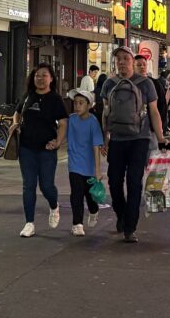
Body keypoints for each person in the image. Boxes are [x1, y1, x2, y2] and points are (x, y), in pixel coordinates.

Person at [102, 46, 166, 244]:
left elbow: (154, 112)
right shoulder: (109, 84)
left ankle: (130, 227)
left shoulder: (146, 83)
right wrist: (104, 139)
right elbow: (105, 113)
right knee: (113, 182)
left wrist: (161, 138)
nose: (121, 62)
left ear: (132, 61)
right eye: (118, 59)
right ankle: (121, 214)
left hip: (140, 139)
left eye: (125, 58)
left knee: (134, 182)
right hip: (117, 140)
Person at [14, 64, 68, 238]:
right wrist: (16, 124)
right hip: (26, 148)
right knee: (28, 185)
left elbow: (63, 122)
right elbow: (17, 113)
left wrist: (58, 141)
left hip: (47, 149)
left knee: (46, 186)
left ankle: (54, 205)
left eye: (44, 75)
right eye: (37, 75)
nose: (40, 78)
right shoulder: (28, 96)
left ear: (51, 79)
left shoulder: (55, 99)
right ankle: (29, 223)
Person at [66, 88, 104, 236]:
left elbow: (96, 147)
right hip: (74, 165)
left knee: (90, 196)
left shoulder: (93, 122)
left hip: (89, 166)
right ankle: (77, 224)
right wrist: (55, 142)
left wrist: (98, 170)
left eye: (81, 103)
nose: (77, 106)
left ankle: (94, 211)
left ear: (89, 105)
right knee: (76, 194)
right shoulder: (71, 119)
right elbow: (62, 134)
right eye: (75, 103)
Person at [134, 53, 168, 139]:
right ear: (133, 66)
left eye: (144, 64)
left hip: (151, 128)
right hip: (133, 128)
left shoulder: (154, 83)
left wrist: (161, 127)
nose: (142, 67)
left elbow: (162, 104)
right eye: (139, 65)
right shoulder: (129, 84)